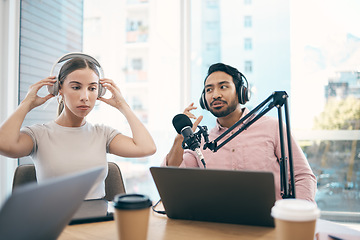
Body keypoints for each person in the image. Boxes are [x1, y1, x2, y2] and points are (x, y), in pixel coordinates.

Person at [0, 54, 156, 199]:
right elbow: (4, 144)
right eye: (76, 87)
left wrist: (123, 106)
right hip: (55, 223)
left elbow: (146, 148)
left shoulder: (103, 134)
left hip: (97, 222)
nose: (85, 97)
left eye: (92, 88)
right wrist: (26, 104)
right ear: (58, 88)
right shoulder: (39, 134)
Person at [163, 63, 316, 202]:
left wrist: (294, 219)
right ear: (204, 99)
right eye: (209, 89)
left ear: (241, 93)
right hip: (219, 225)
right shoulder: (201, 141)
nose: (215, 94)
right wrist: (180, 137)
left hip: (271, 225)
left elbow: (303, 177)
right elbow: (171, 179)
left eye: (223, 87)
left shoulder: (272, 127)